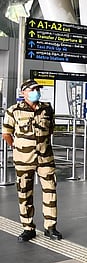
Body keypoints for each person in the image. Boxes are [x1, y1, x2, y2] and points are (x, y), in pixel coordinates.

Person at [2, 79, 62, 242]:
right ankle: (28, 228)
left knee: (50, 191)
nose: (36, 92)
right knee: (24, 193)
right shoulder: (13, 111)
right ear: (23, 93)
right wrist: (17, 146)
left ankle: (51, 227)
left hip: (45, 157)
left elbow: (50, 129)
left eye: (37, 89)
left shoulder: (47, 108)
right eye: (32, 89)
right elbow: (6, 133)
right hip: (23, 159)